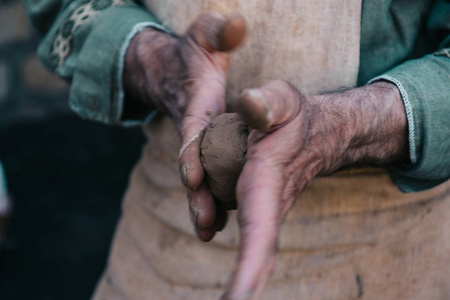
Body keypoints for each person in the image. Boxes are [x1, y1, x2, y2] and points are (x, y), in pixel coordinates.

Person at [25, 0, 450, 299]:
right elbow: (61, 6)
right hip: (167, 223)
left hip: (390, 246)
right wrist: (162, 65)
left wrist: (336, 129)